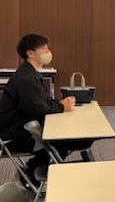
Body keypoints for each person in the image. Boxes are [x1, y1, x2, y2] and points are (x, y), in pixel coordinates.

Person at [0, 34, 93, 188]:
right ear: (31, 53)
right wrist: (62, 107)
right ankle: (31, 174)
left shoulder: (31, 73)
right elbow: (38, 108)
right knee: (68, 139)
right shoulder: (25, 78)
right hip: (15, 136)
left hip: (25, 129)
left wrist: (61, 103)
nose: (48, 51)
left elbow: (42, 101)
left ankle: (32, 170)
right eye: (43, 48)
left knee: (75, 138)